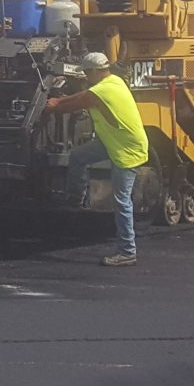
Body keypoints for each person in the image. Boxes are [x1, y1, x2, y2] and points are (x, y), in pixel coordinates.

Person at [42, 51, 149, 266]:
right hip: (111, 142)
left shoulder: (101, 91)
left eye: (86, 73)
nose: (85, 77)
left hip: (125, 149)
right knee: (79, 156)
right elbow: (84, 95)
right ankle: (76, 200)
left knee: (122, 202)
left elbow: (73, 104)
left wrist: (52, 106)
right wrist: (57, 99)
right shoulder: (114, 81)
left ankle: (128, 251)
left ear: (92, 72)